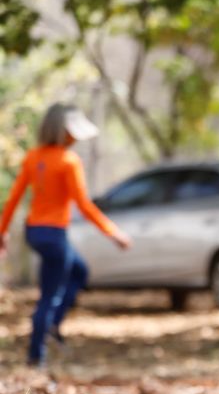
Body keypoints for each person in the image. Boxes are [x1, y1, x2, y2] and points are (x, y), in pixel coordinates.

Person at [0, 104, 131, 366]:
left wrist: (2, 232)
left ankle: (51, 327)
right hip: (54, 235)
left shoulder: (33, 156)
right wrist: (112, 232)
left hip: (34, 232)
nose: (75, 139)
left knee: (79, 271)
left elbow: (14, 198)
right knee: (50, 293)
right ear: (64, 132)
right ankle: (37, 355)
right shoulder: (68, 161)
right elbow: (83, 204)